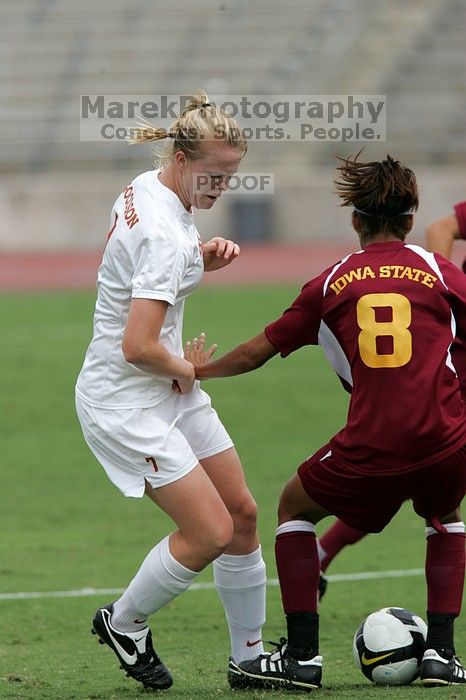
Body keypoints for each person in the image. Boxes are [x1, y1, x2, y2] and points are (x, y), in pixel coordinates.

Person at [190, 154, 466, 689]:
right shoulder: (442, 271)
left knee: (294, 505)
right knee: (445, 511)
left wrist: (197, 369)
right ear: (411, 220)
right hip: (446, 440)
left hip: (373, 443)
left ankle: (303, 658)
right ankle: (444, 655)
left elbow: (255, 354)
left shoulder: (333, 282)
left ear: (356, 221)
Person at [75, 92, 267, 691]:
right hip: (128, 399)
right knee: (210, 533)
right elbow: (138, 345)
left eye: (231, 174)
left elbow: (145, 269)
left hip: (164, 383)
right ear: (182, 156)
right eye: (213, 174)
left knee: (242, 515)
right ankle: (125, 622)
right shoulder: (162, 230)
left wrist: (197, 259)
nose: (222, 186)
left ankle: (250, 658)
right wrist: (193, 370)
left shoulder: (153, 187)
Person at [317, 199, 466, 599]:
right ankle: (442, 644)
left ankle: (321, 550)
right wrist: (438, 291)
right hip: (454, 358)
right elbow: (442, 227)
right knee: (425, 468)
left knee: (414, 467)